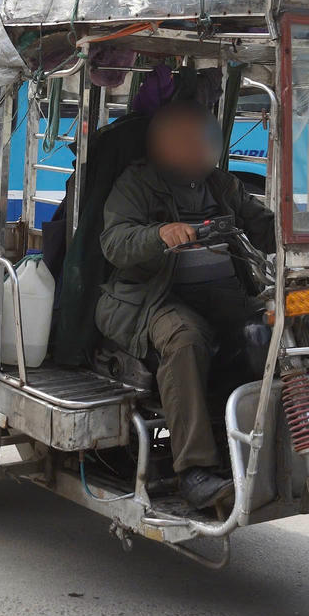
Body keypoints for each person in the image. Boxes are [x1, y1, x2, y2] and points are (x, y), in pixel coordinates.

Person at [95, 100, 275, 510]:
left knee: (274, 330)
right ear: (165, 145)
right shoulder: (136, 183)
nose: (202, 150)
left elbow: (263, 226)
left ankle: (257, 441)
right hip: (149, 301)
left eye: (206, 141)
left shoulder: (221, 185)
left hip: (223, 294)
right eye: (190, 142)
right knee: (185, 337)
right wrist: (161, 234)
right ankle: (194, 472)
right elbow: (115, 243)